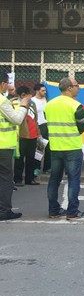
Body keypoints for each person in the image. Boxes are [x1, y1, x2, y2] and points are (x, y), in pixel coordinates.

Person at [46, 77, 84, 220]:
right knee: (73, 179)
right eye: (77, 85)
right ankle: (72, 212)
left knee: (54, 179)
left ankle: (53, 211)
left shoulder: (49, 104)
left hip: (55, 147)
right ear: (69, 88)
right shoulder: (76, 105)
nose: (79, 88)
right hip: (72, 147)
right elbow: (82, 125)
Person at [0, 72, 28, 220]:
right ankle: (4, 211)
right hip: (3, 147)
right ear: (3, 84)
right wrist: (23, 106)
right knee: (5, 179)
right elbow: (16, 119)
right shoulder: (2, 101)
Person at [13, 86, 40, 186]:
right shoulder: (15, 103)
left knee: (31, 158)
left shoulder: (32, 103)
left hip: (33, 135)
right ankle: (18, 179)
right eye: (29, 94)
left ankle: (30, 179)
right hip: (21, 135)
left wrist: (38, 132)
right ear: (23, 95)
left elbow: (35, 119)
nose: (31, 96)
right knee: (19, 159)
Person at [32, 83, 50, 174]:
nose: (44, 92)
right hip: (39, 125)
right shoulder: (32, 101)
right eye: (43, 90)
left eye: (45, 90)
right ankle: (36, 167)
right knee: (40, 147)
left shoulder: (46, 99)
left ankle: (47, 168)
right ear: (37, 91)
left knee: (49, 148)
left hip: (47, 125)